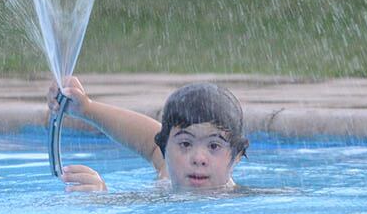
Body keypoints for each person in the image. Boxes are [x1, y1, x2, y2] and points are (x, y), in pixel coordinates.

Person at [48, 77, 248, 193]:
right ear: (164, 148)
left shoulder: (244, 202)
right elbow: (148, 139)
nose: (198, 158)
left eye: (213, 146)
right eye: (186, 144)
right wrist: (86, 108)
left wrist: (105, 200)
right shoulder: (168, 179)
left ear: (237, 155)